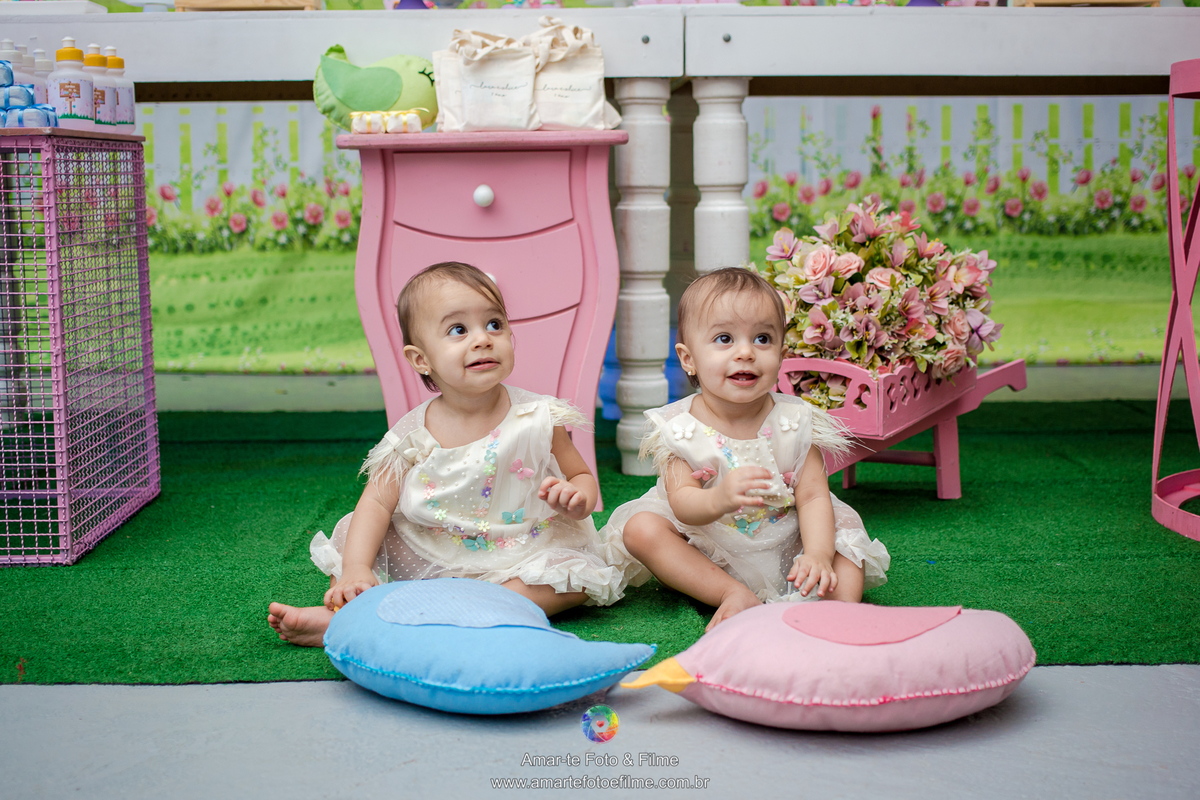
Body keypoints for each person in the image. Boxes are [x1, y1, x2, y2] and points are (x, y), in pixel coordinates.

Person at [268, 262, 642, 646]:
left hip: (523, 548)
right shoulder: (413, 435)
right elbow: (377, 503)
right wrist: (357, 569)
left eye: (494, 324)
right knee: (357, 536)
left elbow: (581, 476)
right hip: (435, 549)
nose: (482, 339)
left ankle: (470, 609)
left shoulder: (536, 418)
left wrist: (578, 498)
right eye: (458, 330)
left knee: (573, 576)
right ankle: (343, 616)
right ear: (420, 359)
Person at [601, 267, 889, 632]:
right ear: (688, 358)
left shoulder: (795, 421)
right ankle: (730, 592)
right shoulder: (679, 428)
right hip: (708, 539)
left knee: (843, 542)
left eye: (762, 339)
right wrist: (719, 497)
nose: (746, 353)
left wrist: (818, 553)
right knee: (641, 529)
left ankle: (832, 605)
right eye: (724, 338)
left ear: (782, 354)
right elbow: (682, 504)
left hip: (790, 536)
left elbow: (815, 497)